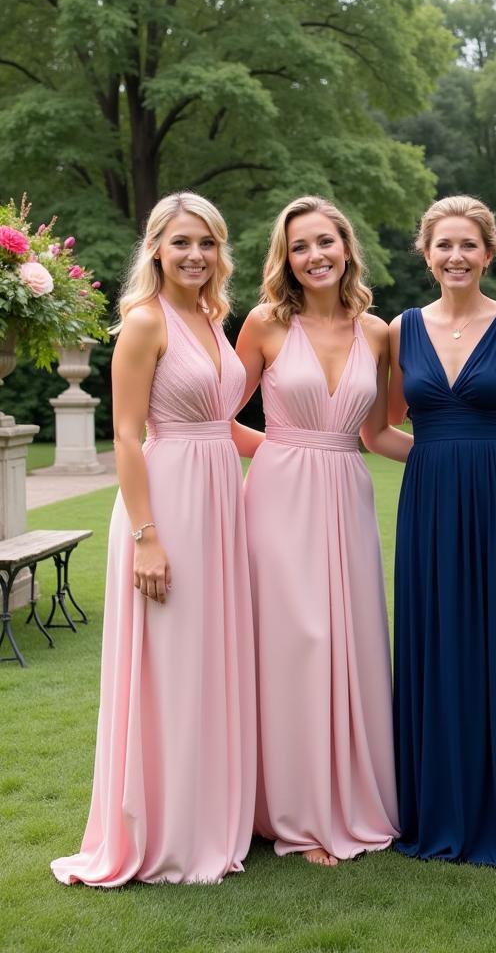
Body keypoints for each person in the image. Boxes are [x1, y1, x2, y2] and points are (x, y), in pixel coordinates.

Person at [51, 193, 256, 886]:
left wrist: (305, 446)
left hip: (219, 500)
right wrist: (145, 536)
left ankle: (208, 817)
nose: (195, 254)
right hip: (165, 503)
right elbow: (128, 435)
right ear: (156, 251)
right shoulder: (144, 322)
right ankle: (164, 833)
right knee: (170, 665)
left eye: (206, 242)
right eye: (180, 243)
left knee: (209, 661)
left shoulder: (211, 316)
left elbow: (223, 423)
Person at [235, 196, 407, 867]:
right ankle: (299, 816)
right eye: (300, 246)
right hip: (279, 498)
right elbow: (214, 415)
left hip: (348, 494)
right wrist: (280, 451)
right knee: (296, 643)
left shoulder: (378, 333)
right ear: (286, 258)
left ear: (347, 247)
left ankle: (352, 798)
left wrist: (462, 461)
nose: (314, 256)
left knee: (352, 639)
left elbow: (379, 431)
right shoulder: (265, 325)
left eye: (324, 242)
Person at [388, 195, 496, 866]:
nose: (456, 257)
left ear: (489, 252)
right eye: (443, 246)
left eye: (468, 246)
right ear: (426, 254)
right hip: (428, 502)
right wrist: (436, 457)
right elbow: (374, 427)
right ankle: (435, 807)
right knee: (433, 643)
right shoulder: (400, 329)